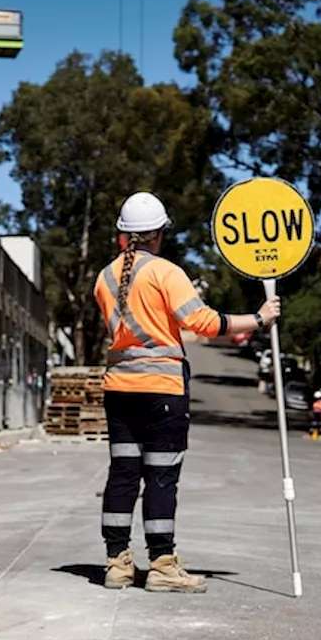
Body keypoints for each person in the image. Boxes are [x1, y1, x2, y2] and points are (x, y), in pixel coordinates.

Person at [93, 192, 281, 593]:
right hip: (162, 390)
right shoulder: (166, 273)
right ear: (158, 234)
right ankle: (161, 566)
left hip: (120, 390)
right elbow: (203, 322)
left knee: (123, 475)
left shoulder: (104, 278)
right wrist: (259, 319)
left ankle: (117, 564)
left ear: (121, 237)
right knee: (160, 477)